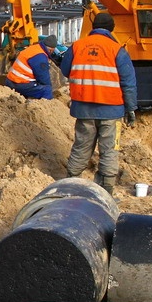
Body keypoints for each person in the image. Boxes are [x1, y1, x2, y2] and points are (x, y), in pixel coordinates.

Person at [58, 12, 138, 195]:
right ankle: (107, 191)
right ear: (111, 29)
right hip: (112, 110)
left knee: (81, 146)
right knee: (109, 150)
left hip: (84, 108)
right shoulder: (117, 49)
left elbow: (65, 69)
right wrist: (131, 108)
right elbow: (128, 83)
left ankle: (70, 185)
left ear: (93, 28)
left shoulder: (77, 46)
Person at [5, 34, 57, 99]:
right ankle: (45, 107)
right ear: (50, 50)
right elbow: (43, 79)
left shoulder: (34, 48)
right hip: (19, 84)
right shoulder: (40, 56)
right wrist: (50, 86)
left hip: (10, 81)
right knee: (47, 90)